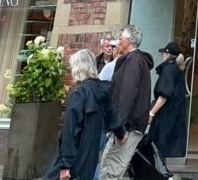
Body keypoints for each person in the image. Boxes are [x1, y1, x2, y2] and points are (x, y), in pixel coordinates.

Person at [43, 49, 125, 180]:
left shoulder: (79, 93)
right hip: (90, 156)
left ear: (78, 68)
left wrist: (65, 165)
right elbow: (112, 116)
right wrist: (121, 133)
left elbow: (70, 131)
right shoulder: (102, 90)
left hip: (76, 156)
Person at [98, 24, 154, 180]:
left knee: (111, 168)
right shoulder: (134, 60)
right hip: (126, 125)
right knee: (108, 165)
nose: (118, 42)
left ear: (129, 41)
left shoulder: (134, 60)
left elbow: (127, 94)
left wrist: (121, 128)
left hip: (127, 126)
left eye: (120, 38)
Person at [148, 40, 188, 160]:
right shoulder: (176, 69)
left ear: (167, 54)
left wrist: (152, 112)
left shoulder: (169, 70)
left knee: (162, 149)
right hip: (174, 115)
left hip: (167, 116)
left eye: (163, 54)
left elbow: (164, 95)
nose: (162, 56)